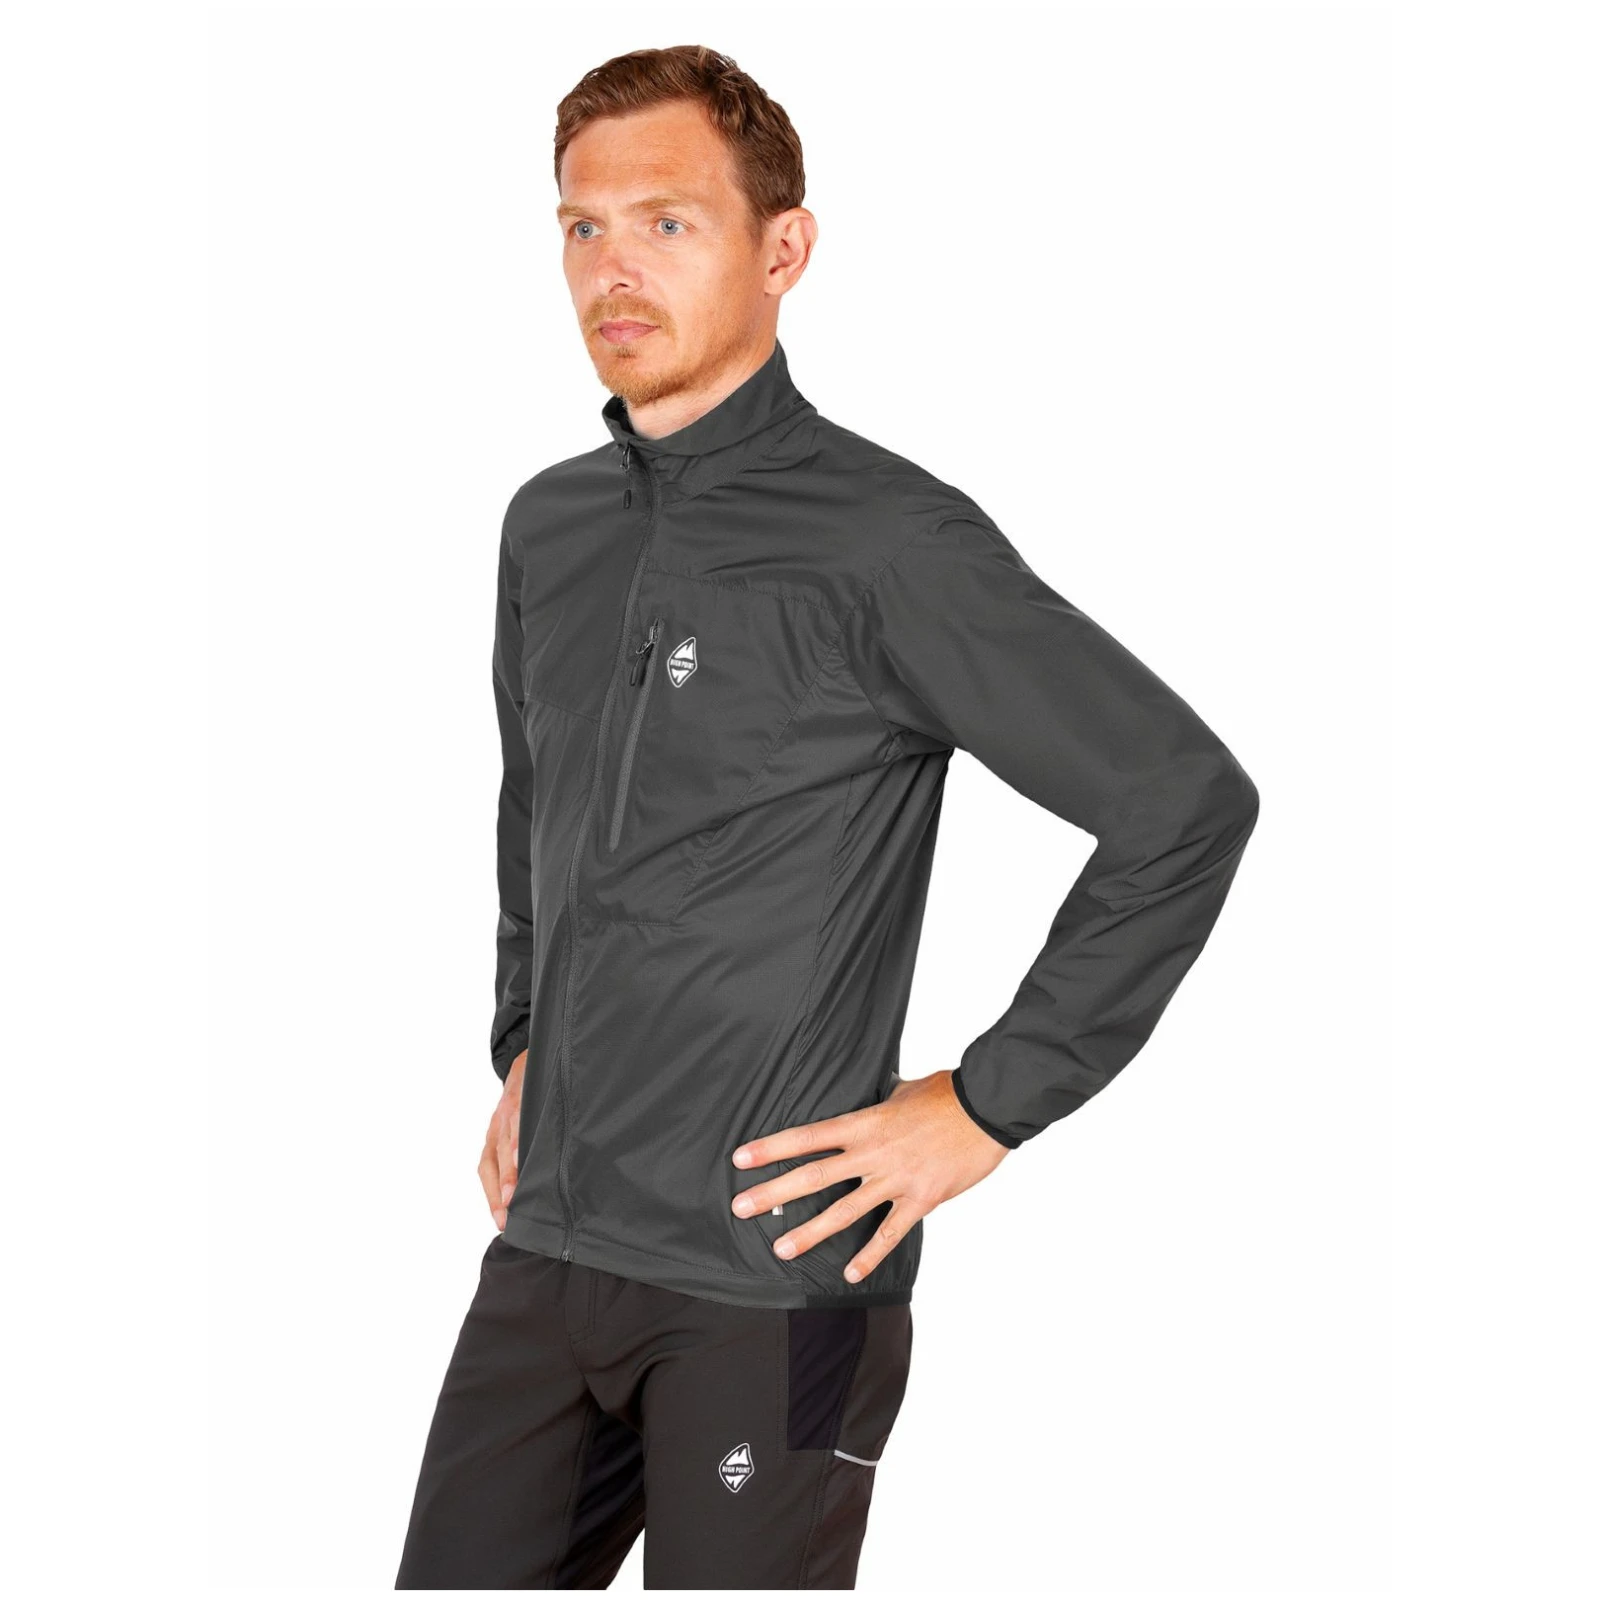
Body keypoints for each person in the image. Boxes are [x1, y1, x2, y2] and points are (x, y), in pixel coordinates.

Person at [395, 43, 1259, 1591]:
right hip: (551, 1259)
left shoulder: (885, 543)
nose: (612, 268)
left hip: (773, 1287)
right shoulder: (553, 525)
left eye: (668, 222)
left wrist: (987, 1103)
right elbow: (538, 810)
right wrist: (525, 1040)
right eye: (583, 227)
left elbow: (1179, 800)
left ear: (783, 248)